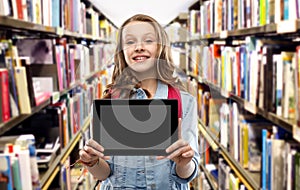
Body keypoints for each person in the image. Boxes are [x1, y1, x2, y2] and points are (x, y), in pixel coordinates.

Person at [79, 14, 199, 190]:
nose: (139, 47)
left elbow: (187, 175)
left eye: (148, 40)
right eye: (130, 42)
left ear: (160, 48)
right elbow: (104, 174)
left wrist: (184, 163)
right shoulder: (108, 104)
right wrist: (92, 162)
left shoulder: (185, 103)